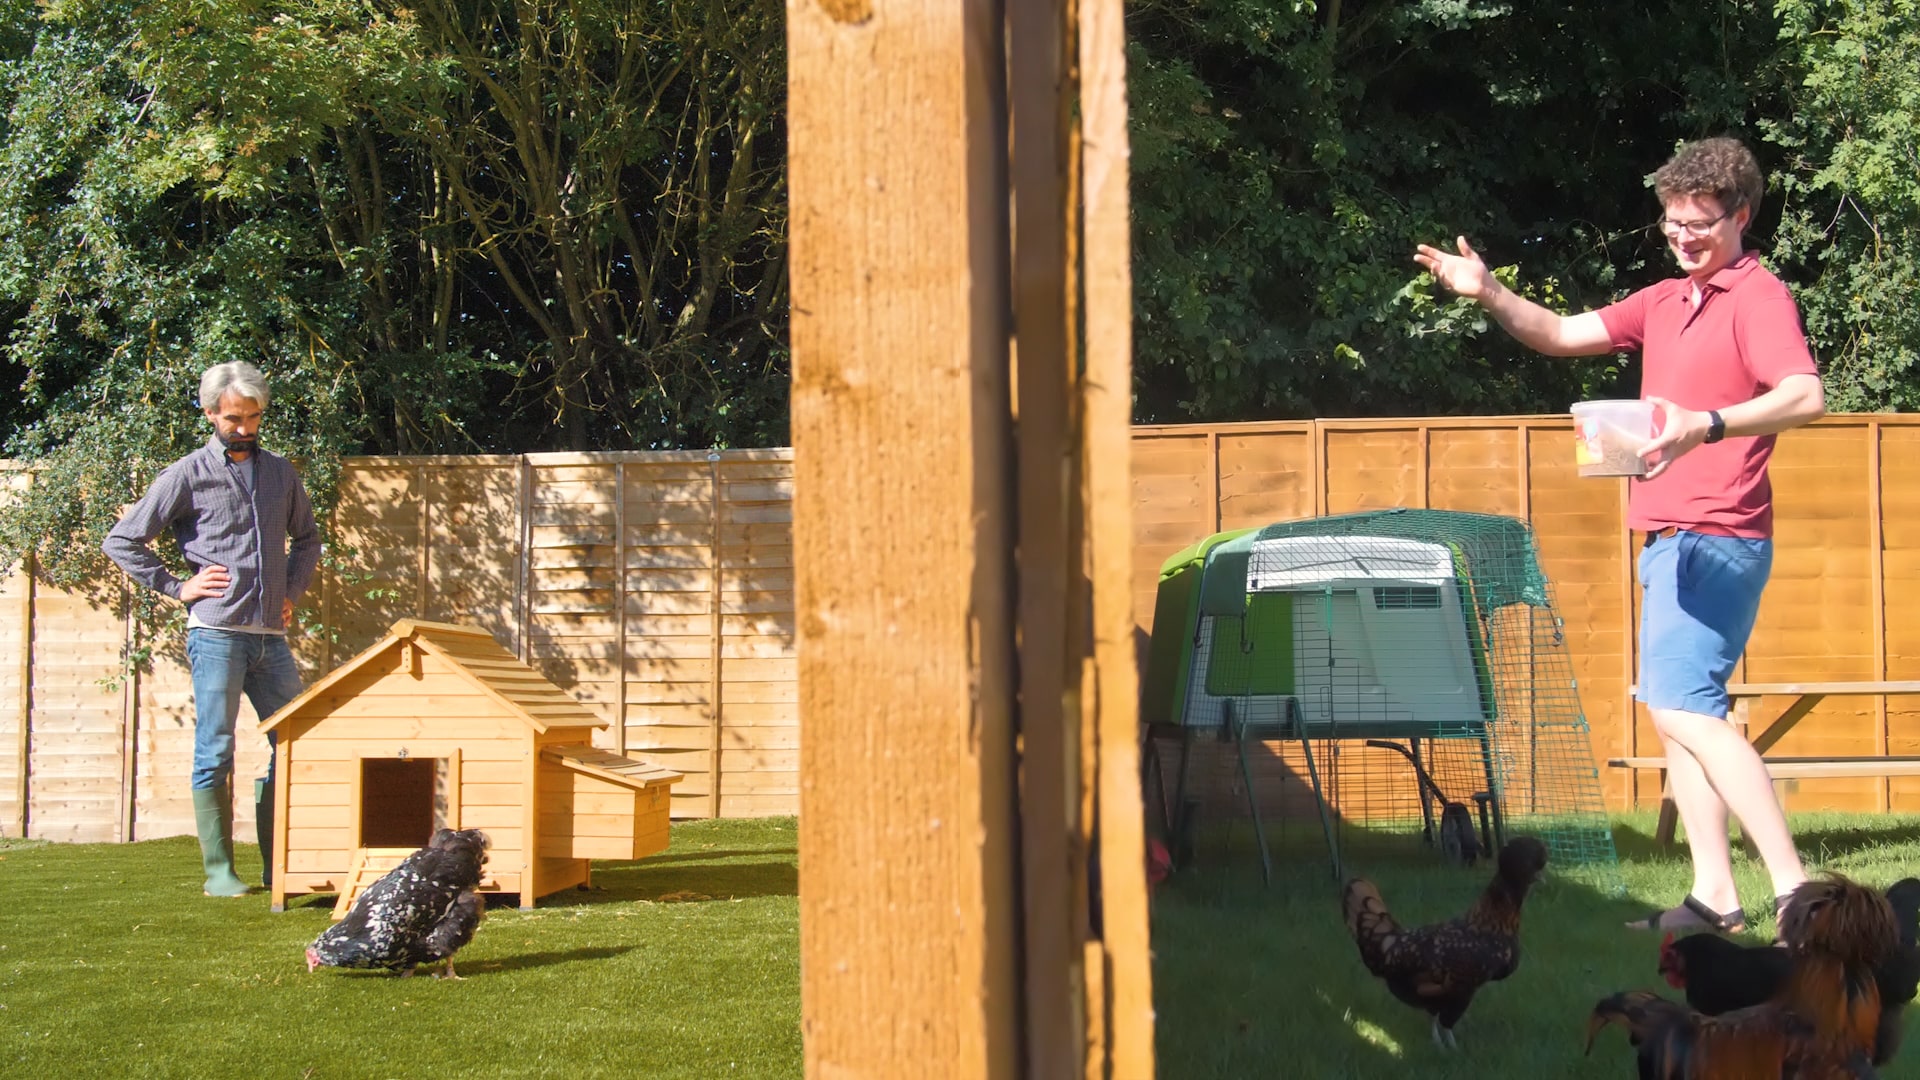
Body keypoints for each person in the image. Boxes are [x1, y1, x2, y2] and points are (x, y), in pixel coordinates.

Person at [1414, 136, 1825, 936]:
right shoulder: (1665, 301)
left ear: (1740, 215)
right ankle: (1713, 898)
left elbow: (1805, 395)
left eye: (1700, 223)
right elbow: (1563, 334)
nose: (1683, 236)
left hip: (1719, 534)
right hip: (1668, 537)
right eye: (1672, 221)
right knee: (1677, 711)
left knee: (1687, 708)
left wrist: (1706, 424)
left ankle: (1795, 893)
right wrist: (1490, 292)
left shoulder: (1757, 296)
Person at [104, 361, 322, 896]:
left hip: (271, 639)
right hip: (216, 632)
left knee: (296, 743)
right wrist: (179, 586)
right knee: (215, 749)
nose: (244, 428)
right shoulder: (185, 474)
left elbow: (309, 540)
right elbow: (122, 541)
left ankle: (281, 869)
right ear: (210, 414)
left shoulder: (280, 473)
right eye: (233, 418)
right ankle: (220, 874)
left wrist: (291, 593)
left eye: (253, 417)